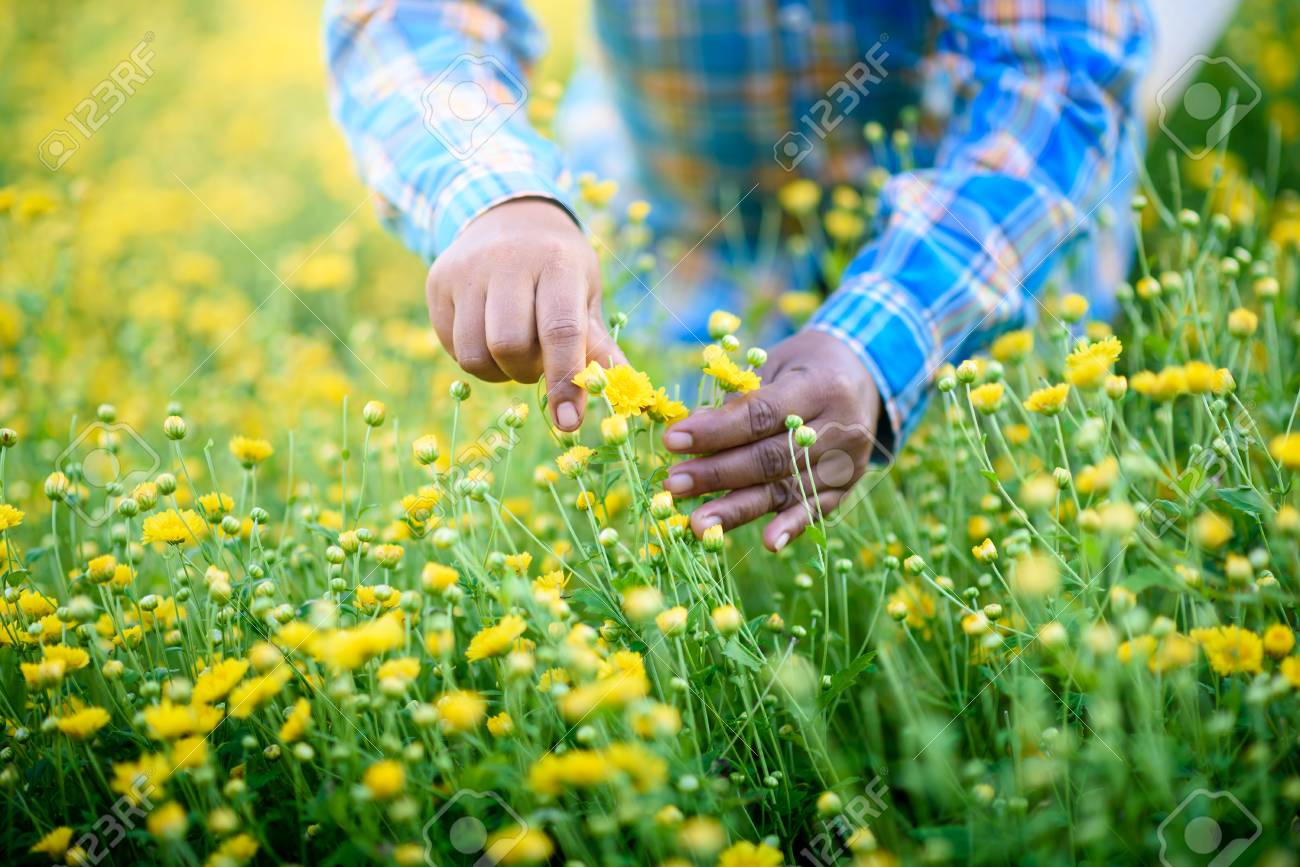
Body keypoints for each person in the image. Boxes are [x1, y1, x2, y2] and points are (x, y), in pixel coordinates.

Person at [325, 0, 1152, 551]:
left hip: (976, 270)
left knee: (1023, 539)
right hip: (681, 243)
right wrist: (499, 191)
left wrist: (881, 341)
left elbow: (1053, 76)